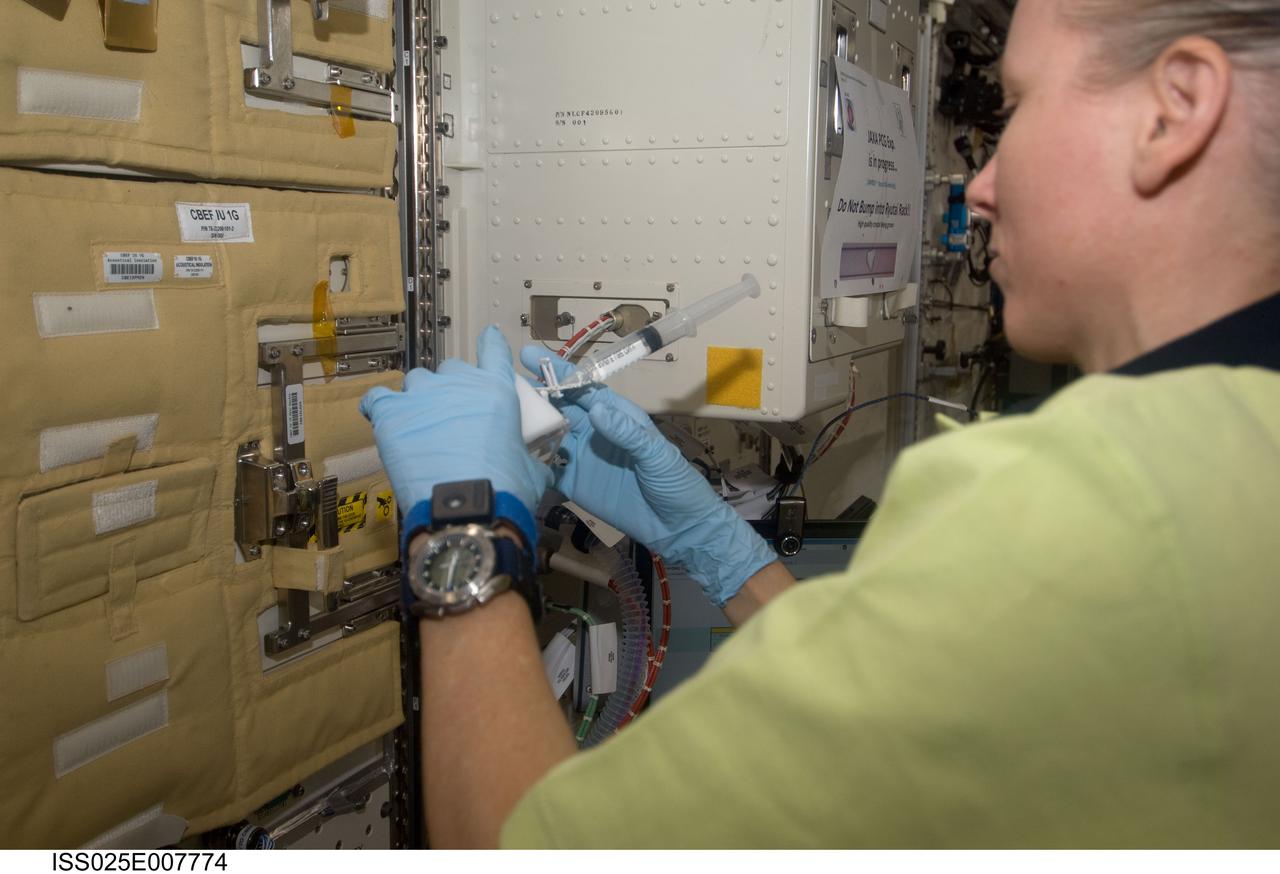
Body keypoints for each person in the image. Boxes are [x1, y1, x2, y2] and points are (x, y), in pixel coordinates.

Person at [360, 0, 1280, 848]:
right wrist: (721, 548)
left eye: (1016, 110)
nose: (981, 188)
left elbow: (526, 851)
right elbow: (914, 708)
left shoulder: (1088, 504)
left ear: (1176, 108)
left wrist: (461, 533)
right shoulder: (1235, 453)